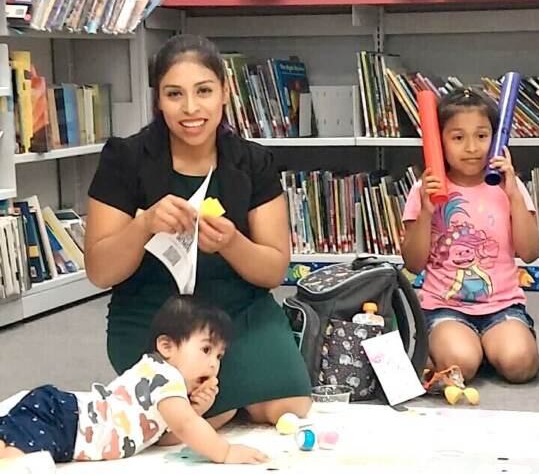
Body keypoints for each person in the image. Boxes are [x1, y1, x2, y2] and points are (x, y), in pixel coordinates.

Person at [84, 34, 311, 429]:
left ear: (224, 93)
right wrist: (143, 226)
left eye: (203, 91)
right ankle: (216, 401)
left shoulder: (253, 161)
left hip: (238, 310)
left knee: (289, 407)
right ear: (158, 99)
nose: (191, 108)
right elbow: (100, 272)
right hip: (156, 317)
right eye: (174, 94)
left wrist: (233, 243)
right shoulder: (125, 159)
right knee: (208, 415)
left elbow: (273, 270)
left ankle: (221, 394)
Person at [0, 296, 269, 467]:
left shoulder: (155, 375)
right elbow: (187, 426)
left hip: (62, 415)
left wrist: (196, 409)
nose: (213, 363)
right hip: (67, 421)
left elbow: (161, 437)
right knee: (19, 462)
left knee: (11, 443)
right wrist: (224, 452)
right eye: (206, 350)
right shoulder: (166, 378)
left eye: (219, 356)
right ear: (167, 346)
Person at [400, 87, 539, 384]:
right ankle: (453, 347)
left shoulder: (508, 186)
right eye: (457, 137)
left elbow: (530, 252)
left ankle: (490, 346)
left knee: (520, 365)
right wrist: (425, 211)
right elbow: (413, 264)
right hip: (445, 307)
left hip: (503, 306)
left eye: (481, 135)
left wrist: (514, 195)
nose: (471, 147)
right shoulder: (424, 188)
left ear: (496, 138)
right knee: (461, 363)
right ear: (439, 143)